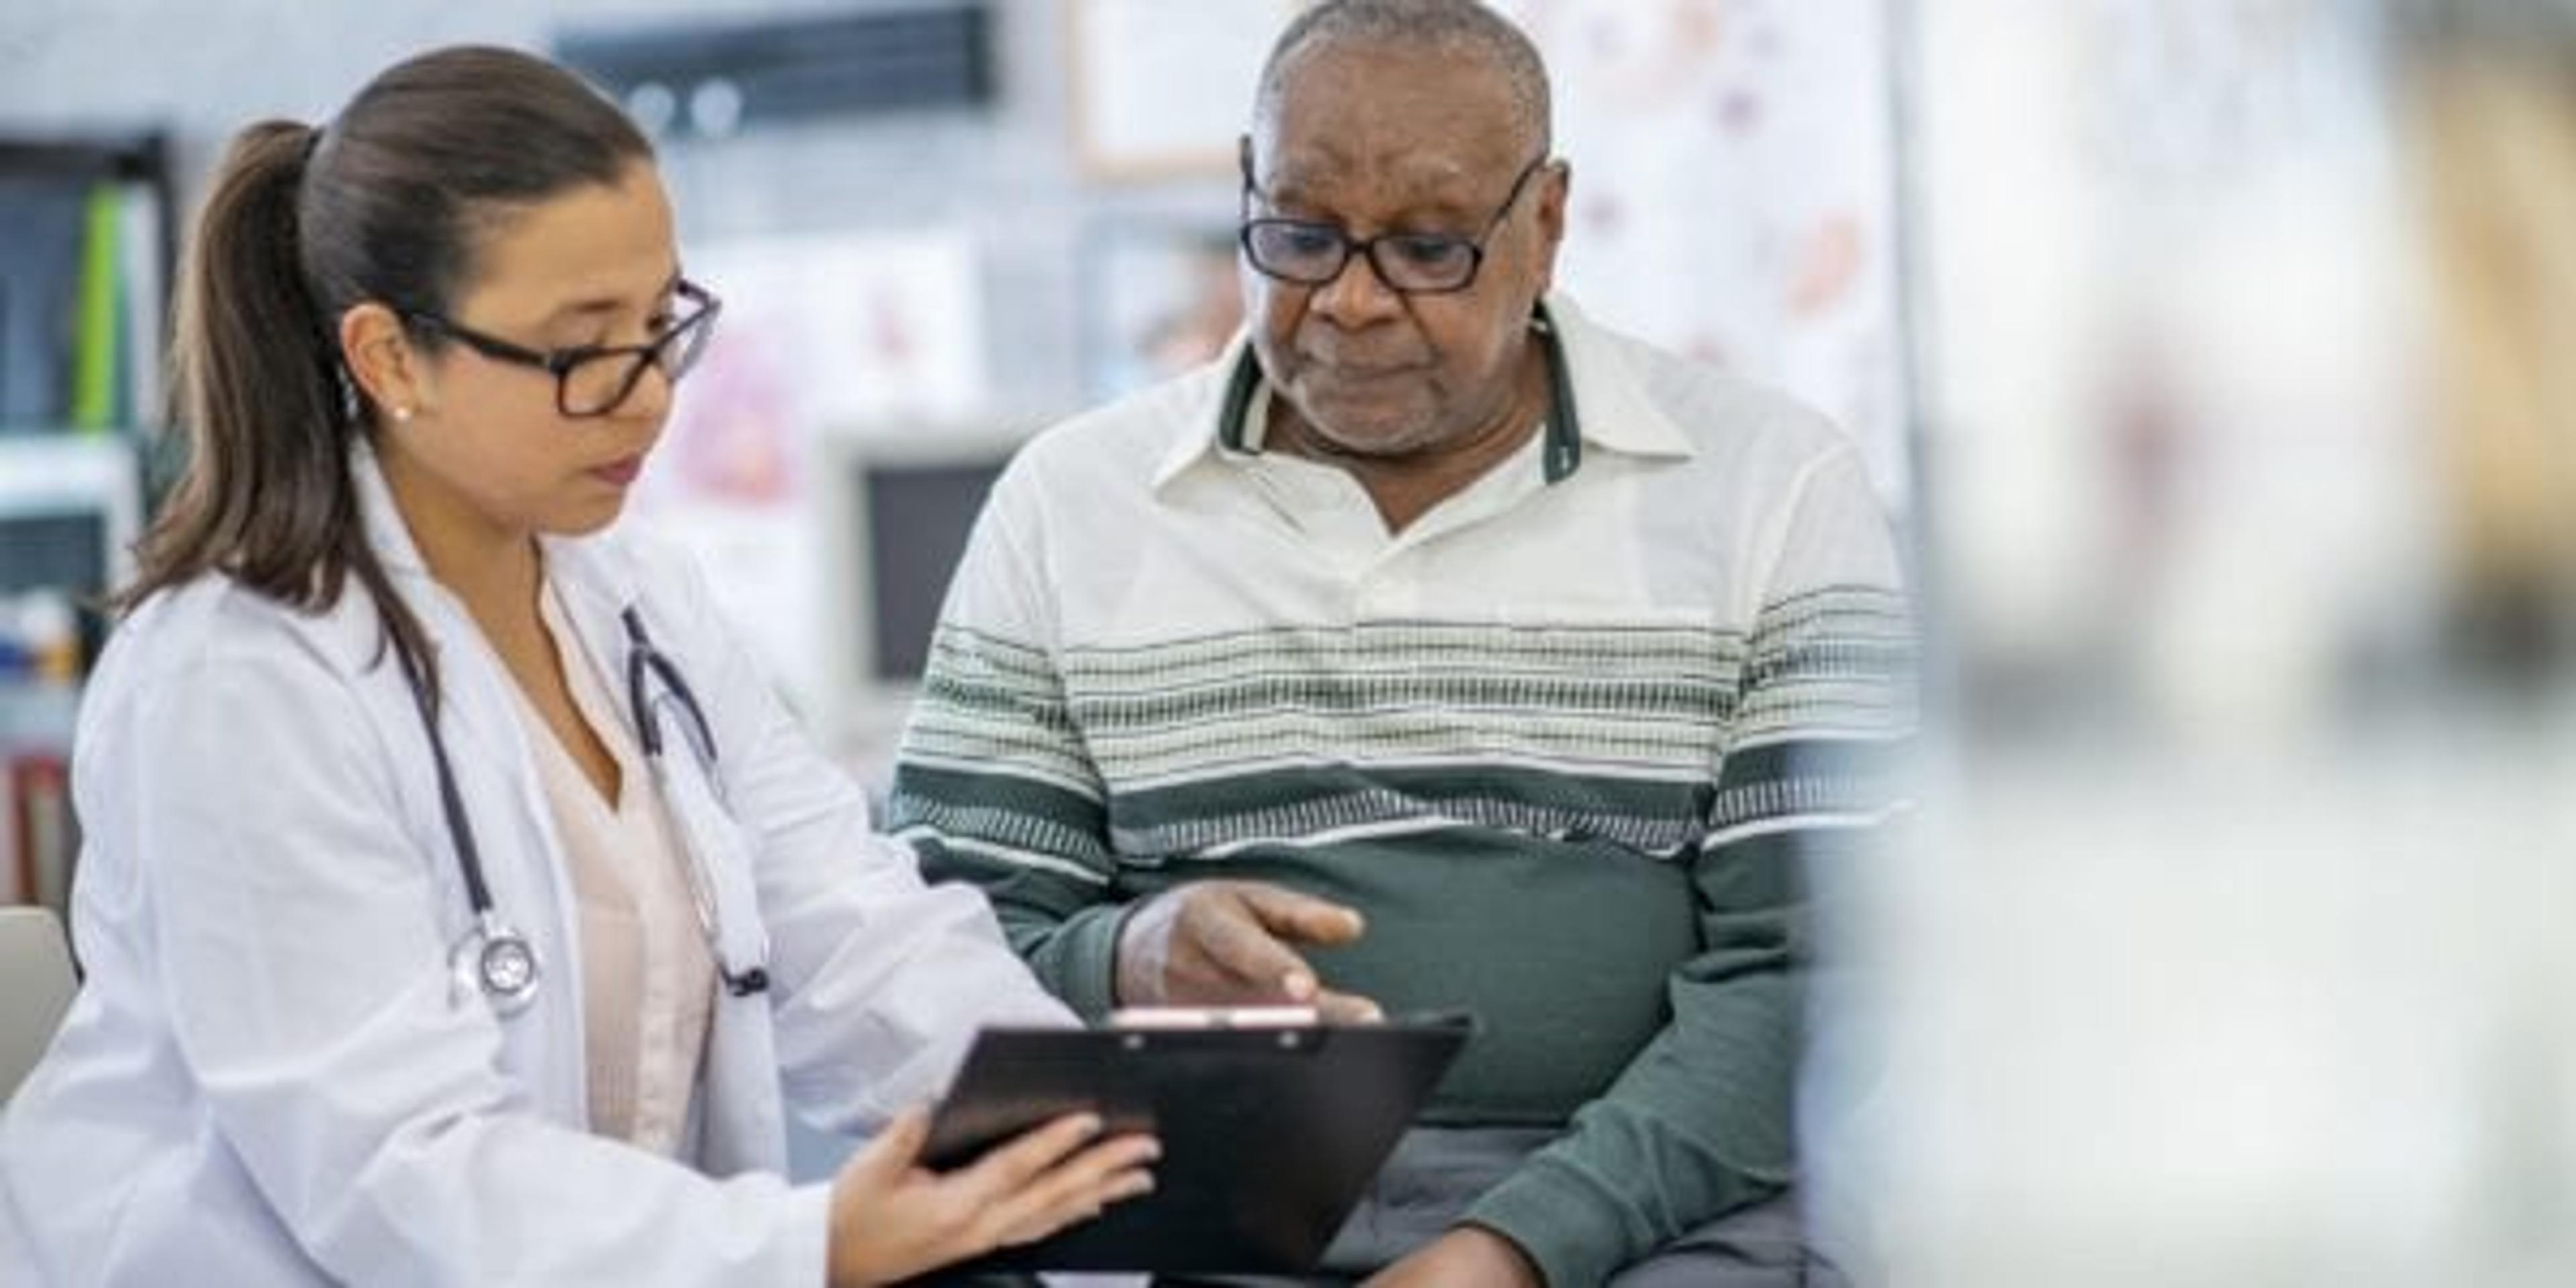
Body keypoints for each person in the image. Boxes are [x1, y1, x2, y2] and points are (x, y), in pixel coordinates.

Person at [0, 46, 1156, 1286]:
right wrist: (805, 1246)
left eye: (662, 325)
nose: (649, 396)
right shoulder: (239, 680)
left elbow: (852, 934)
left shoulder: (639, 603)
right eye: (581, 349)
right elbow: (398, 1170)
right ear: (390, 358)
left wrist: (1112, 1135)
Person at [888, 2, 1913, 1285]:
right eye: (1301, 236)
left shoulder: (1768, 482)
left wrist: (1518, 1247)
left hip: (1658, 1206)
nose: (1353, 303)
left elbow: (1819, 965)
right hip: (1227, 1205)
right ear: (1246, 189)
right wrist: (1125, 958)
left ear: (1544, 225)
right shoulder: (1071, 501)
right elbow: (931, 948)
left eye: (1429, 249)